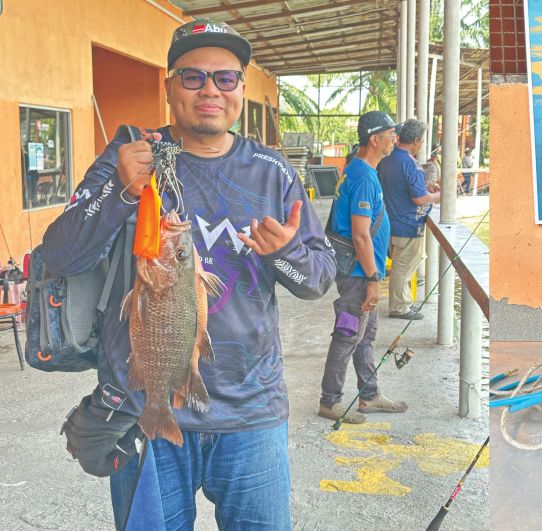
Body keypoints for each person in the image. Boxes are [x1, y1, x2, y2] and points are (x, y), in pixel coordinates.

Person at [40, 19, 335, 530]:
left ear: (242, 89)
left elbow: (316, 279)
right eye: (194, 76)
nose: (211, 90)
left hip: (251, 409)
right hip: (143, 406)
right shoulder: (130, 158)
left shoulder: (273, 171)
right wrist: (120, 193)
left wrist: (285, 252)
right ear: (170, 87)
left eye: (226, 78)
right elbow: (59, 255)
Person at [319, 110, 408, 424]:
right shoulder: (363, 176)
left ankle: (368, 395)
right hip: (358, 274)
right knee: (347, 335)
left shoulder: (362, 171)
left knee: (365, 335)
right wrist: (373, 278)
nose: (394, 140)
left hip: (362, 272)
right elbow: (359, 234)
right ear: (374, 139)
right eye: (390, 135)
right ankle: (330, 402)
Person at [378, 119, 441, 320]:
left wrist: (426, 190)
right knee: (402, 269)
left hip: (389, 223)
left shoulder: (387, 159)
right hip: (408, 225)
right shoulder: (411, 164)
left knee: (400, 266)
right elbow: (419, 198)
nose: (421, 145)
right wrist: (439, 196)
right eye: (421, 141)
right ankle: (399, 307)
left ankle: (402, 303)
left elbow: (403, 190)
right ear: (416, 140)